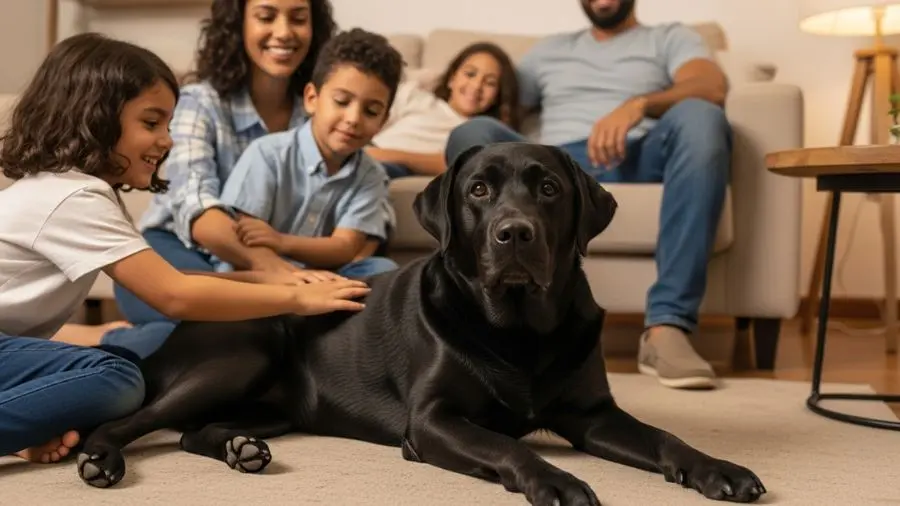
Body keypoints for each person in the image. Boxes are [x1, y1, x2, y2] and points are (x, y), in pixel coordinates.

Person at [0, 33, 371, 464]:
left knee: (124, 360)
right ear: (96, 118)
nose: (168, 141)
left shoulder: (74, 190)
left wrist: (268, 276)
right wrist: (297, 297)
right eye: (151, 123)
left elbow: (168, 279)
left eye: (169, 125)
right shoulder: (74, 198)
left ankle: (24, 432)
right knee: (117, 377)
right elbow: (174, 296)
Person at [444, 0, 730, 390]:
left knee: (702, 115)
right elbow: (499, 104)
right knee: (472, 134)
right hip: (554, 166)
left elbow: (710, 85)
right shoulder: (547, 51)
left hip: (638, 152)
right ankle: (482, 319)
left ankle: (668, 327)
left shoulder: (670, 37)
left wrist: (637, 105)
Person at [112, 0, 345, 328]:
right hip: (178, 249)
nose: (284, 32)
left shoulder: (317, 110)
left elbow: (356, 161)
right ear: (238, 26)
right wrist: (276, 271)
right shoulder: (199, 103)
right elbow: (197, 207)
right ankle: (108, 341)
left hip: (272, 258)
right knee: (226, 323)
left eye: (298, 18)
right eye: (266, 17)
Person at [216, 28, 404, 278]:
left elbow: (345, 247)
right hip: (260, 277)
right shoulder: (268, 153)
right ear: (312, 98)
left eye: (371, 111)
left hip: (322, 281)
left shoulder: (372, 175)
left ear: (383, 120)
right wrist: (288, 272)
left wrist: (282, 241)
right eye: (341, 101)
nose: (353, 119)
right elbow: (248, 234)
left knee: (383, 271)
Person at [365, 42, 521, 178]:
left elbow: (454, 163)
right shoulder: (416, 96)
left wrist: (386, 155)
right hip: (366, 149)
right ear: (452, 79)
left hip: (393, 166)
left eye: (490, 83)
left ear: (497, 96)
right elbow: (372, 119)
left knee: (371, 172)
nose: (476, 86)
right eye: (470, 74)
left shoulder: (480, 133)